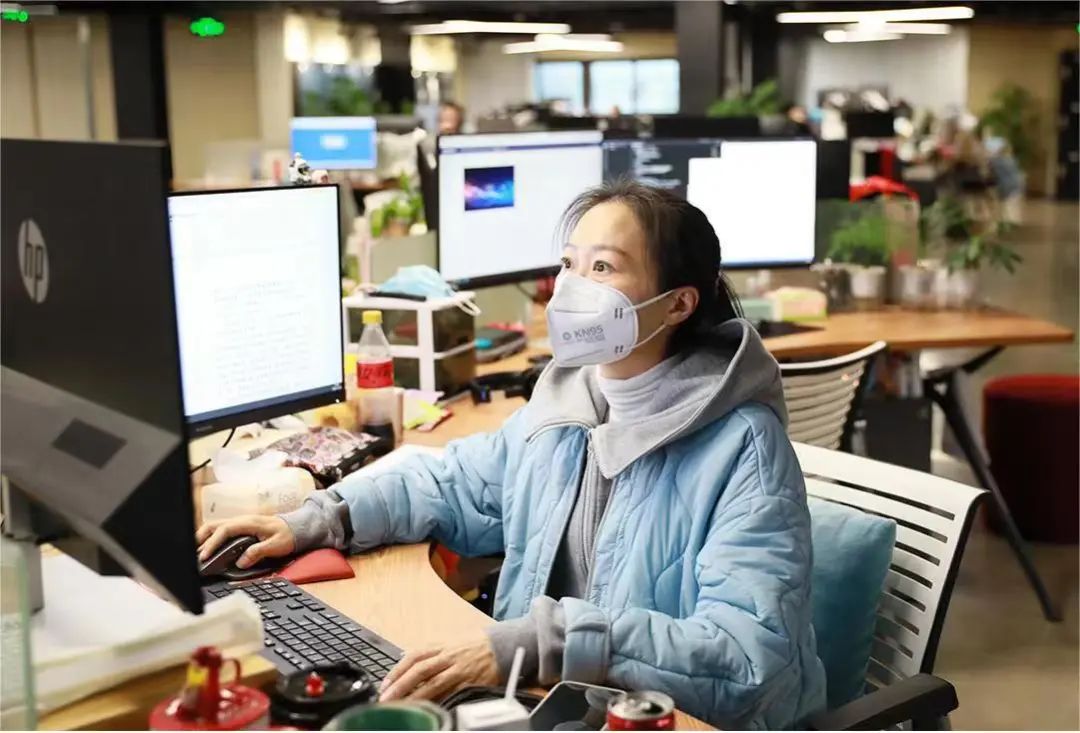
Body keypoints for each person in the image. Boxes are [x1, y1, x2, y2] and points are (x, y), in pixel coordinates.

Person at [197, 181, 826, 728]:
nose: (572, 287)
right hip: (551, 700)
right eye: (569, 264)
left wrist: (539, 644)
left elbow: (745, 657)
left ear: (679, 303)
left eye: (603, 268)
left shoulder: (744, 448)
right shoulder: (567, 404)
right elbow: (452, 485)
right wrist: (317, 518)